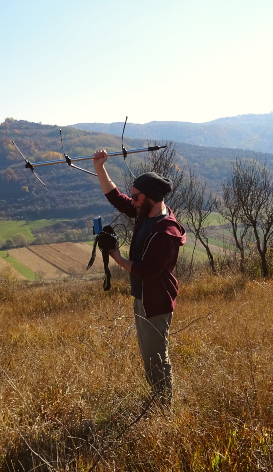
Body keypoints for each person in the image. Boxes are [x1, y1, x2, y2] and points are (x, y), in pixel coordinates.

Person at [93, 150, 186, 409]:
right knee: (149, 355)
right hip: (143, 297)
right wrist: (99, 168)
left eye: (136, 197)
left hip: (155, 302)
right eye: (133, 196)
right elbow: (118, 199)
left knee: (156, 356)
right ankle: (159, 401)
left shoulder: (166, 232)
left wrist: (115, 256)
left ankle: (164, 408)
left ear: (150, 198)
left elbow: (147, 272)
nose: (131, 201)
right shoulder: (147, 212)